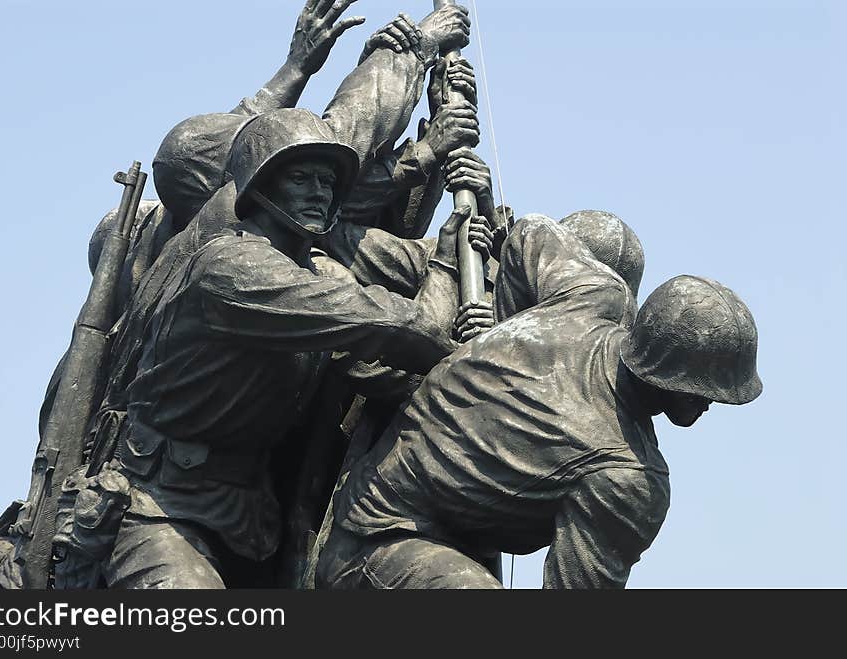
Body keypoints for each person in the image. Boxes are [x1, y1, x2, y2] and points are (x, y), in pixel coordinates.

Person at [100, 110, 492, 589]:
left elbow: (387, 370)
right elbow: (392, 324)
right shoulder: (232, 266)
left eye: (328, 182)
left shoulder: (316, 275)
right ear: (260, 186)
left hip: (251, 516)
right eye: (301, 178)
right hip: (158, 507)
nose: (319, 192)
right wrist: (446, 271)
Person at [317, 214, 762, 589]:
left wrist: (505, 330)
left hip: (390, 498)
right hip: (380, 538)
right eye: (704, 390)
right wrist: (500, 337)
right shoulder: (627, 481)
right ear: (667, 372)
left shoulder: (593, 294)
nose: (710, 405)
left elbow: (531, 232)